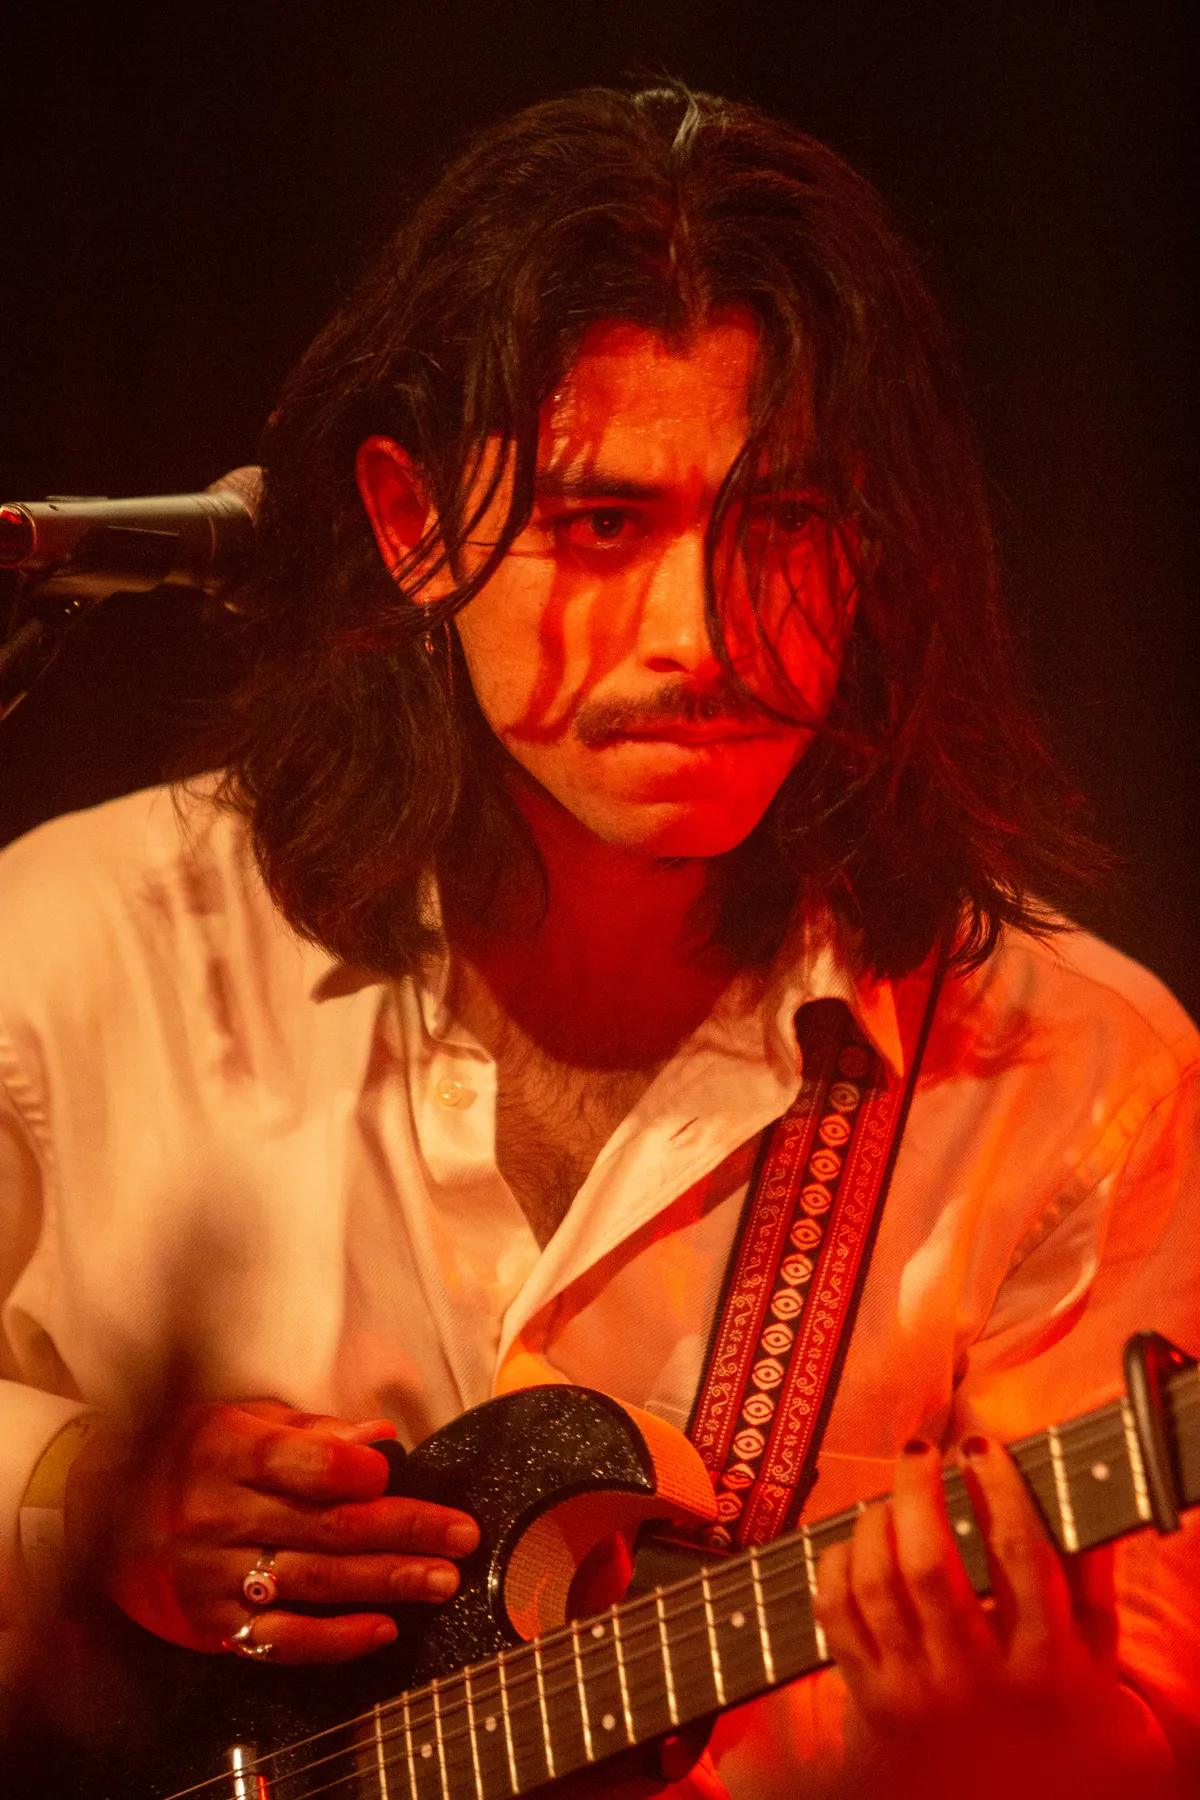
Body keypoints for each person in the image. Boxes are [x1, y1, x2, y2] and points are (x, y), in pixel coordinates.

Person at [0, 82, 1197, 1799]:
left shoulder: (1078, 1074)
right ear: (412, 526)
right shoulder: (72, 949)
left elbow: (1149, 1726)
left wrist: (1018, 1736)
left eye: (786, 521)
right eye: (603, 524)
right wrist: (72, 1501)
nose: (701, 635)